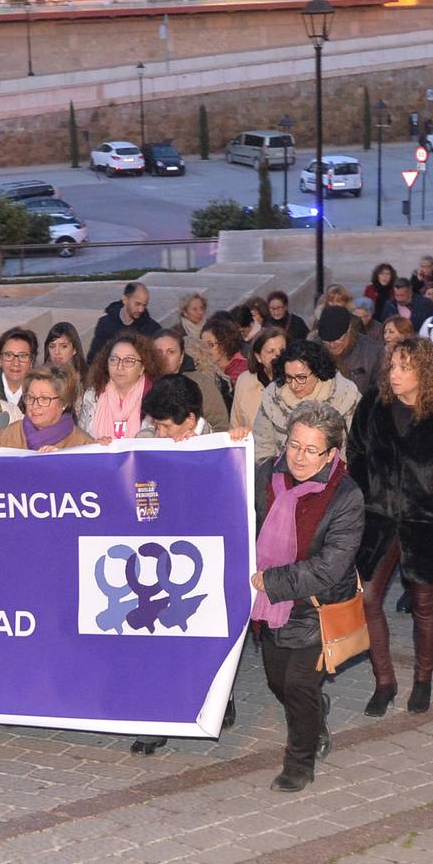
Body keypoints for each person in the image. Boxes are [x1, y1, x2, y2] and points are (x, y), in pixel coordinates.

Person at [347, 338, 433, 717]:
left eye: (405, 367)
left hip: (427, 521)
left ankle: (422, 680)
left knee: (425, 604)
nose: (395, 374)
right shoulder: (374, 403)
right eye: (393, 366)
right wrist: (366, 494)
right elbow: (355, 451)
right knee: (367, 598)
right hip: (379, 517)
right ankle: (384, 682)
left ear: (424, 371)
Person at [128, 375, 251, 757]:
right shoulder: (148, 441)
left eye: (166, 426)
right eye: (156, 424)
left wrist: (213, 449)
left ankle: (219, 694)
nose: (159, 432)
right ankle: (157, 719)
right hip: (156, 556)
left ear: (191, 418)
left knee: (203, 636)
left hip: (201, 560)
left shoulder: (222, 444)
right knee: (156, 639)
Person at [250, 401, 364, 792]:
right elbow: (226, 501)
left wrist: (272, 581)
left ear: (331, 453)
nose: (298, 457)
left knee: (298, 686)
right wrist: (229, 449)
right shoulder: (265, 474)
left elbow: (330, 566)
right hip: (269, 606)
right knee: (277, 683)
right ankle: (316, 713)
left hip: (317, 606)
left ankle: (300, 761)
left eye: (310, 449)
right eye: (294, 445)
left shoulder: (346, 496)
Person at [254, 339, 360, 465]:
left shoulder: (345, 396)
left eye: (301, 377)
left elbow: (354, 448)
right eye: (289, 377)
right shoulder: (272, 397)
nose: (294, 384)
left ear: (317, 372)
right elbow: (262, 445)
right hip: (282, 474)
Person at [77, 332, 159, 441]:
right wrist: (93, 443)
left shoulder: (156, 397)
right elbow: (81, 440)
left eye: (129, 361)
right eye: (114, 360)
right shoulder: (92, 395)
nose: (120, 366)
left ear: (142, 367)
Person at [0, 364, 95, 451]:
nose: (35, 405)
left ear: (64, 403)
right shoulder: (9, 434)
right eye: (31, 397)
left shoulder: (83, 444)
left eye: (44, 399)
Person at [151, 329, 230, 432]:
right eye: (159, 352)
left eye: (171, 352)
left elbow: (220, 426)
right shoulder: (146, 383)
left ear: (181, 356)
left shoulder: (201, 383)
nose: (164, 357)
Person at [317, 305, 384, 396]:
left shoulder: (373, 352)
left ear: (349, 330)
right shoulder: (313, 350)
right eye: (327, 341)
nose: (332, 345)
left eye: (338, 339)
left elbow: (380, 391)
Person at [231, 327, 289, 430]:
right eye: (271, 351)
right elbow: (235, 424)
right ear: (258, 357)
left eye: (282, 350)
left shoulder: (296, 381)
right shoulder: (244, 381)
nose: (278, 355)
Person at [87, 281, 160, 361]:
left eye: (144, 305)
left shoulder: (153, 329)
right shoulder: (105, 324)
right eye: (137, 304)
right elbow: (94, 357)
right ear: (125, 300)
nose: (141, 309)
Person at [0, 327, 38, 410]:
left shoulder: (42, 390)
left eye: (22, 356)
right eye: (9, 355)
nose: (16, 363)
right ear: (0, 359)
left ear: (32, 361)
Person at [201, 317, 250, 389]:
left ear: (224, 343)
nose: (205, 350)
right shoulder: (207, 368)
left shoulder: (241, 370)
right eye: (202, 345)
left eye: (210, 345)